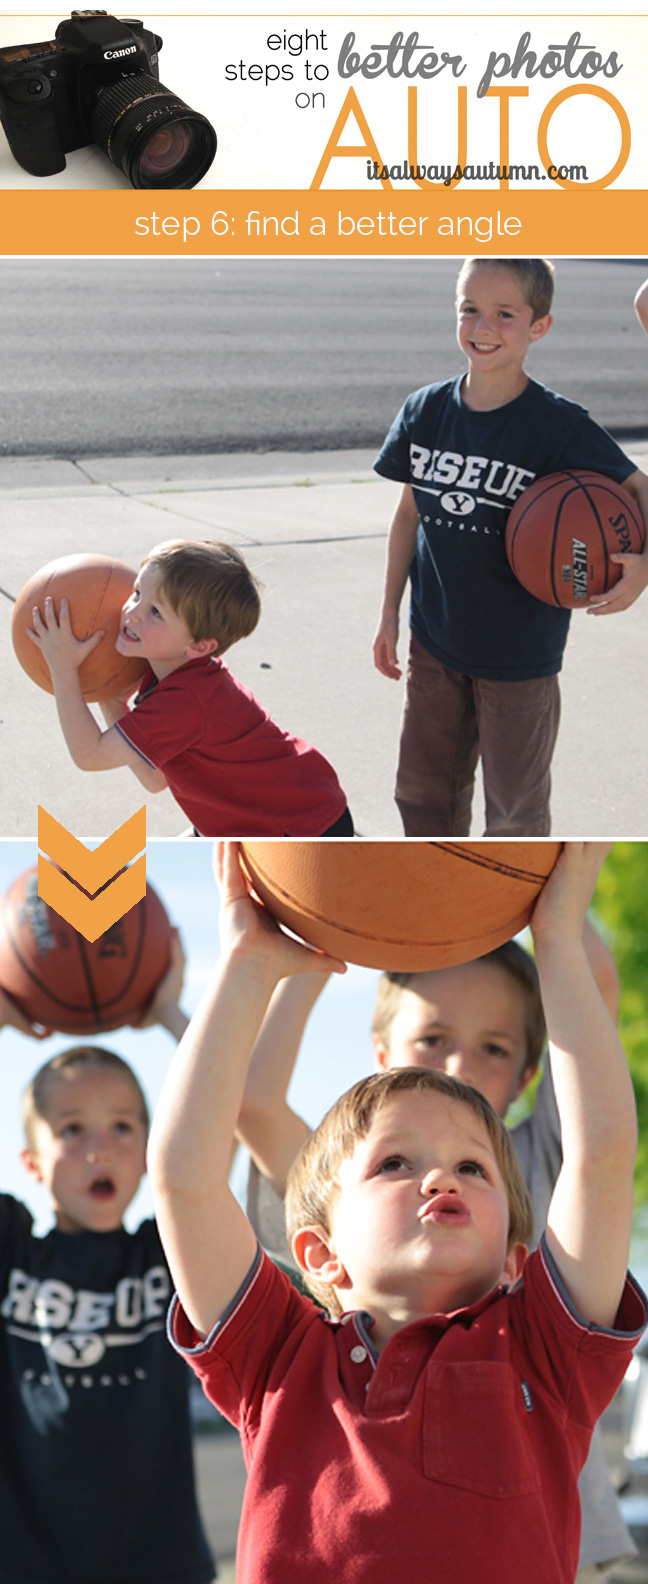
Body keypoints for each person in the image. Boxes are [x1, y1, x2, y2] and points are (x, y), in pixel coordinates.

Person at [147, 842, 646, 1584]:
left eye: (472, 1167)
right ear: (318, 1253)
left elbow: (600, 1159)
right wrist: (247, 965)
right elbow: (183, 1176)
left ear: (518, 1255)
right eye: (394, 1163)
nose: (440, 1174)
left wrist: (560, 936)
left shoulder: (543, 1351)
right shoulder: (278, 1362)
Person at [372, 257, 648, 836]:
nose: (483, 327)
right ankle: (433, 895)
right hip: (434, 642)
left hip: (520, 660)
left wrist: (642, 569)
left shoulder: (559, 425)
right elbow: (406, 515)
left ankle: (497, 908)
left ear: (538, 327)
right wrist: (388, 616)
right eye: (470, 309)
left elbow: (638, 490)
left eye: (504, 314)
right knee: (422, 795)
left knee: (515, 812)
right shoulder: (425, 410)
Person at [0, 961, 215, 1584]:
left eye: (123, 1126)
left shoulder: (165, 1251)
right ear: (31, 1162)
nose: (100, 1148)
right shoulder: (12, 1248)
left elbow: (225, 1107)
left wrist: (173, 1015)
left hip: (158, 1565)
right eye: (72, 1130)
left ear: (153, 1151)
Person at [25, 537, 353, 837]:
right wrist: (110, 699)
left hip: (299, 828)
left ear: (199, 645)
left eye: (155, 612)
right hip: (266, 808)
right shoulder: (181, 676)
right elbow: (156, 779)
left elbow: (90, 755)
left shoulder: (186, 702)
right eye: (137, 593)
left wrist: (64, 668)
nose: (132, 613)